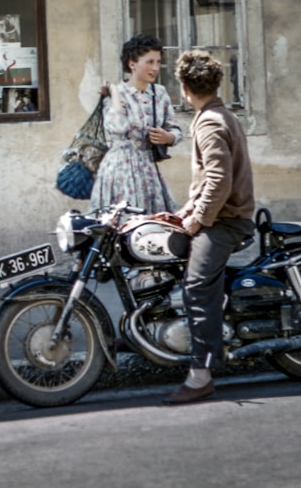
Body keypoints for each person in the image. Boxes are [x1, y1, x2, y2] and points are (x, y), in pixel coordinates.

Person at [164, 49, 256, 405]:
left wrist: (198, 218)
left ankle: (201, 375)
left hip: (226, 221)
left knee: (198, 287)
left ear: (184, 88)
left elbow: (218, 180)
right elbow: (208, 182)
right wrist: (182, 212)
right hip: (222, 214)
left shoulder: (211, 123)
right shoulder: (218, 115)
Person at [90, 34, 183, 214]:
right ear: (132, 63)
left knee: (151, 229)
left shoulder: (160, 93)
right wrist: (114, 93)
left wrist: (168, 137)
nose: (155, 68)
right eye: (149, 62)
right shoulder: (116, 94)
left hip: (148, 169)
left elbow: (176, 130)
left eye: (158, 62)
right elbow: (117, 128)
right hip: (119, 169)